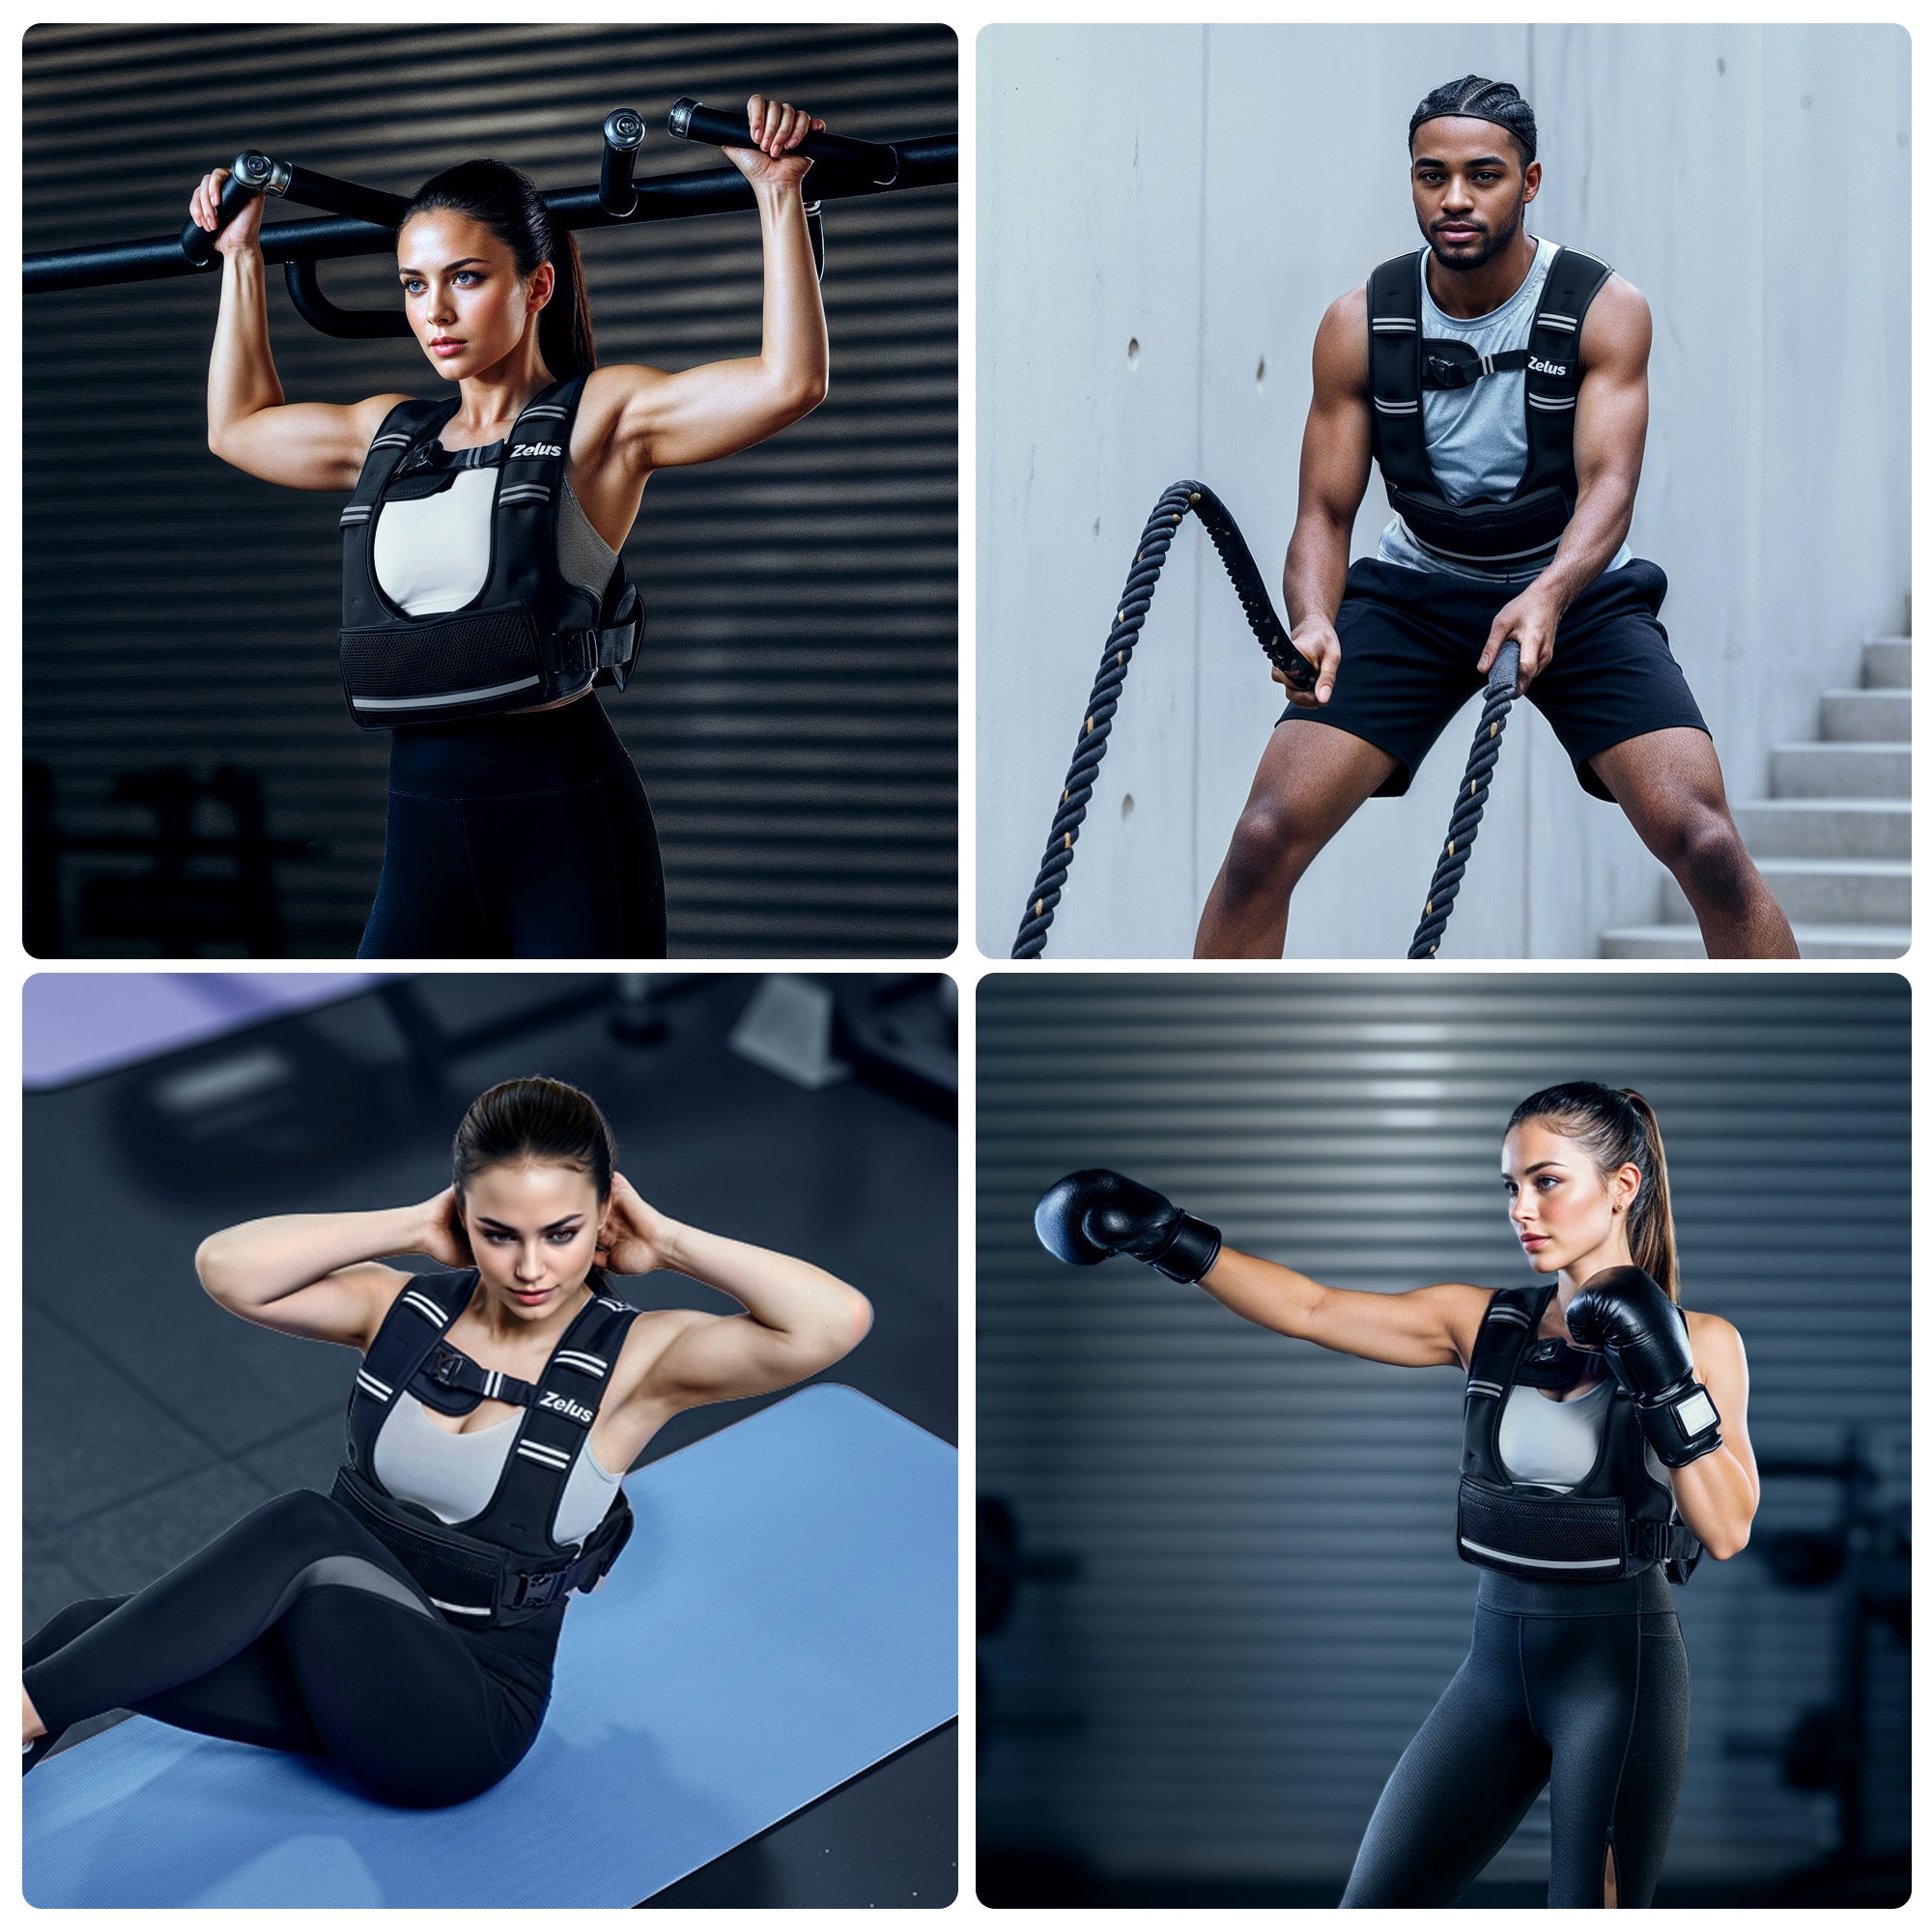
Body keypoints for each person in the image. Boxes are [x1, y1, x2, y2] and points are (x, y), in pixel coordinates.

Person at [22, 1075, 870, 1807]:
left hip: (457, 1723)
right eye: (500, 1233)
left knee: (301, 1527)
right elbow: (227, 1267)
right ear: (465, 1218)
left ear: (604, 1216)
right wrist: (408, 1226)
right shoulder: (402, 1310)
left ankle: (15, 1713)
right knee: (77, 1633)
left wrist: (671, 1242)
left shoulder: (643, 1363)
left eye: (562, 1233)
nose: (531, 1267)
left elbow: (833, 1322)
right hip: (340, 1676)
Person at [1034, 1080, 1759, 1908]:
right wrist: (1168, 1238)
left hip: (1618, 1677)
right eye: (1511, 1186)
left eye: (1547, 1181)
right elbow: (1311, 1307)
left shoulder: (1703, 1339)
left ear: (1622, 1186)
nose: (1522, 1208)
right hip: (1496, 1671)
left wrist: (1666, 1379)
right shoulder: (1482, 1320)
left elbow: (1729, 1529)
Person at [194, 96, 831, 957]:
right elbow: (235, 427)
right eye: (414, 285)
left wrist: (778, 192)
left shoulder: (599, 420)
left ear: (536, 285)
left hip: (563, 812)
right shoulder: (387, 435)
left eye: (465, 277)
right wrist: (240, 257)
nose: (435, 313)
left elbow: (787, 382)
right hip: (420, 814)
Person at [1195, 75, 1797, 960]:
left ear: (1532, 180)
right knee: (1260, 841)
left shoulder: (1603, 309)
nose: (1456, 200)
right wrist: (1315, 617)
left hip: (1573, 592)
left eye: (1484, 175)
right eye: (1431, 177)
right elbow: (1324, 511)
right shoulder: (1360, 323)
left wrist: (1550, 594)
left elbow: (1609, 493)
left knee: (1705, 843)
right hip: (1412, 594)